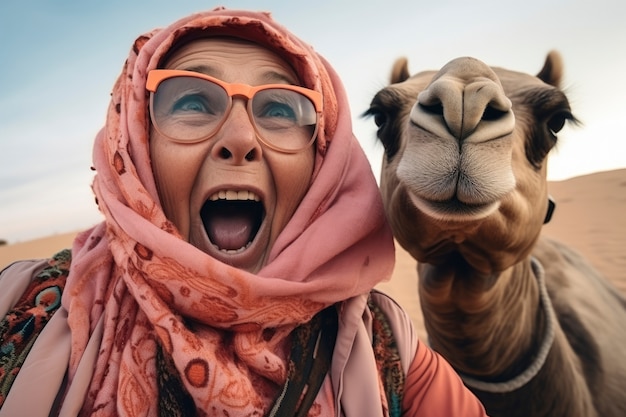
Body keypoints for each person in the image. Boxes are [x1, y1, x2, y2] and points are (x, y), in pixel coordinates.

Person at [0, 7, 489, 417]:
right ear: (135, 144)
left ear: (323, 158)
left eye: (280, 110)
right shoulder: (22, 306)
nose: (239, 140)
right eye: (191, 99)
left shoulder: (385, 345)